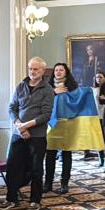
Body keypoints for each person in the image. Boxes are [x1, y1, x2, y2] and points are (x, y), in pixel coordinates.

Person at [0, 57, 54, 210]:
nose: (32, 72)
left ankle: (35, 200)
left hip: (37, 136)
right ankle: (11, 198)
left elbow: (46, 115)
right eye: (30, 68)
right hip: (18, 134)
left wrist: (27, 126)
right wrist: (19, 126)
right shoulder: (21, 86)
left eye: (36, 69)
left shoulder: (48, 90)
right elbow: (12, 108)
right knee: (13, 166)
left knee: (36, 168)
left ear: (43, 71)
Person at [44, 63, 77, 193]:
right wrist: (53, 92)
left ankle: (64, 183)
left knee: (66, 154)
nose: (58, 72)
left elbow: (77, 103)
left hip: (67, 124)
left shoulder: (73, 88)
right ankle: (48, 183)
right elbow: (41, 100)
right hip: (50, 124)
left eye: (61, 70)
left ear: (66, 72)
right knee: (50, 154)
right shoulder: (47, 87)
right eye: (56, 70)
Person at [93, 71, 105, 167]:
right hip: (96, 116)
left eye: (101, 77)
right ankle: (101, 158)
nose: (99, 79)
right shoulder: (93, 89)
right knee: (98, 138)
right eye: (97, 77)